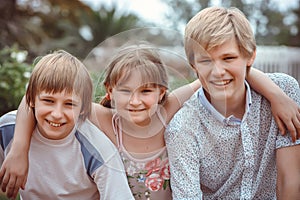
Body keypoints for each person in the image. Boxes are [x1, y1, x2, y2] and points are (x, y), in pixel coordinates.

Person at [1, 42, 300, 200]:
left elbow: (217, 77)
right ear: (109, 91)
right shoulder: (104, 117)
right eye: (125, 91)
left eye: (146, 91)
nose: (135, 101)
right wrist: (19, 151)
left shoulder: (166, 110)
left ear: (161, 93)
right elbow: (36, 98)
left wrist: (276, 95)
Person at [165, 6, 300, 200]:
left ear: (250, 56)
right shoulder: (183, 128)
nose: (218, 71)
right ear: (193, 66)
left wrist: (275, 95)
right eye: (206, 61)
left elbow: (290, 181)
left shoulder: (283, 92)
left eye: (228, 58)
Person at [0, 50, 134, 200]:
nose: (57, 114)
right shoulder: (7, 129)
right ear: (31, 99)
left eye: (69, 104)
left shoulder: (98, 149)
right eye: (48, 101)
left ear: (83, 108)